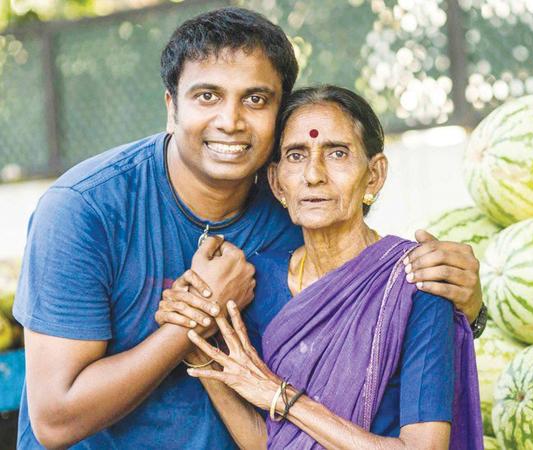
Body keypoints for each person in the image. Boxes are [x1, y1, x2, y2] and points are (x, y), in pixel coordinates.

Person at [12, 7, 485, 449]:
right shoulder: (85, 210)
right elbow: (55, 421)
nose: (231, 121)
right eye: (207, 96)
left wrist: (465, 306)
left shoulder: (294, 205)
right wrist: (200, 318)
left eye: (255, 99)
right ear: (171, 106)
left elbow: (370, 310)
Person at [158, 85, 483, 449]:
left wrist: (282, 397)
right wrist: (204, 361)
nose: (314, 174)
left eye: (337, 153)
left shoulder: (414, 282)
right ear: (277, 182)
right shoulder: (256, 283)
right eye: (296, 156)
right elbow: (273, 443)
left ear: (373, 176)